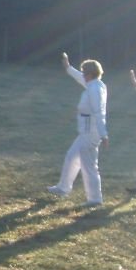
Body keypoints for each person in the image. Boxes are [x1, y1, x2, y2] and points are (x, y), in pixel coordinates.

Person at [47, 53, 108, 205]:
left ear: (90, 74)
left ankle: (95, 198)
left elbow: (99, 112)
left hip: (90, 133)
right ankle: (63, 188)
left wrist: (104, 134)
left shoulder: (95, 89)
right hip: (86, 132)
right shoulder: (95, 84)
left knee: (89, 166)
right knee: (71, 157)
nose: (83, 75)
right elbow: (80, 78)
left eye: (84, 73)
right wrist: (68, 68)